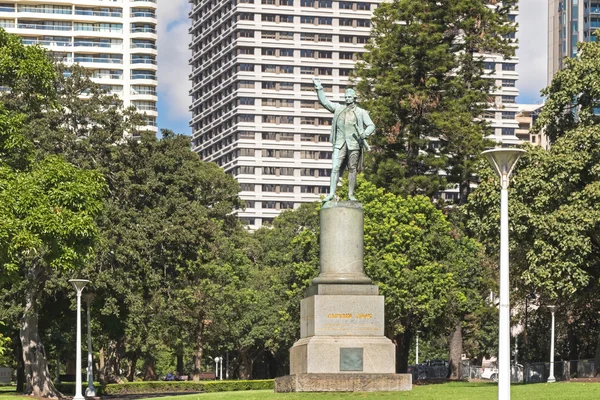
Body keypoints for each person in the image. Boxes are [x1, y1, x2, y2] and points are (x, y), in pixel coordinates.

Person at [312, 77, 375, 202]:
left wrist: (365, 134)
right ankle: (331, 194)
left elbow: (371, 125)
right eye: (346, 97)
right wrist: (319, 87)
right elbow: (324, 102)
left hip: (354, 144)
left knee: (352, 169)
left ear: (354, 98)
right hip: (340, 143)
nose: (347, 99)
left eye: (349, 97)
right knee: (335, 167)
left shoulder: (361, 112)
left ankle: (351, 194)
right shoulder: (338, 109)